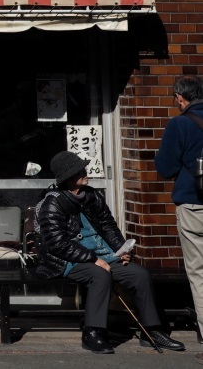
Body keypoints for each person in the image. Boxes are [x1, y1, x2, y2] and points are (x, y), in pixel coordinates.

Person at [36, 150, 184, 353]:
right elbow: (56, 243)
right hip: (66, 259)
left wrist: (120, 249)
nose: (85, 172)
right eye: (80, 170)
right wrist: (92, 258)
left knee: (139, 275)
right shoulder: (52, 203)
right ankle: (93, 332)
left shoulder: (91, 195)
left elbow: (108, 226)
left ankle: (152, 331)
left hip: (101, 253)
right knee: (99, 275)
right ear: (68, 176)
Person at [155, 75, 203, 341]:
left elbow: (166, 168)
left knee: (199, 272)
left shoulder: (180, 125)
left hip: (194, 205)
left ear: (180, 98)